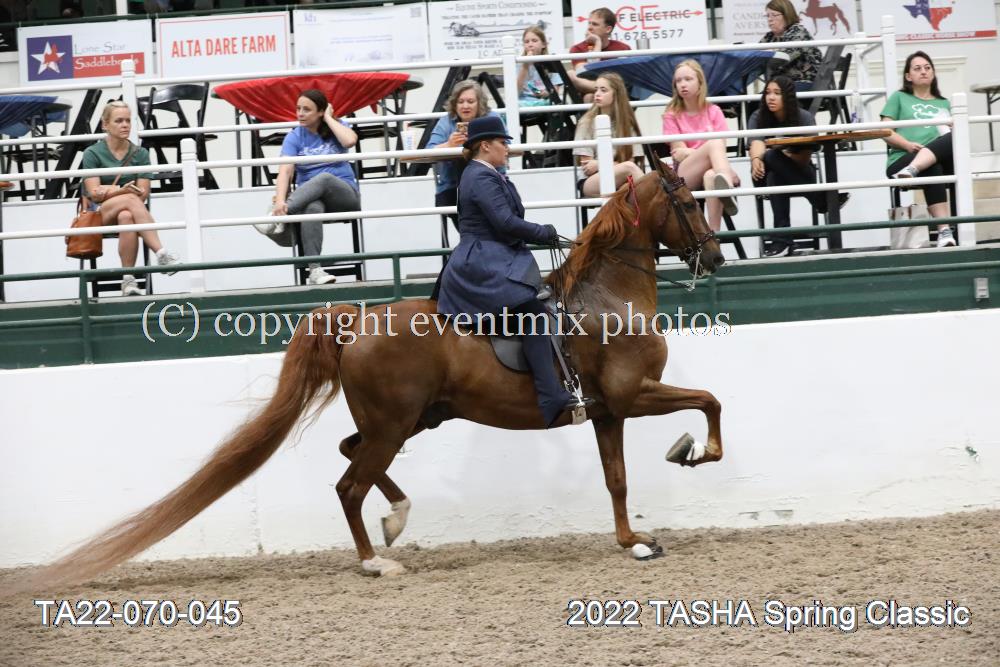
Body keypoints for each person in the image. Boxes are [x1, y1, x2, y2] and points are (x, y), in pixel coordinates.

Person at [436, 116, 594, 427]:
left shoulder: (487, 174)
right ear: (485, 146)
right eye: (502, 143)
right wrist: (543, 232)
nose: (507, 148)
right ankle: (550, 395)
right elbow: (505, 222)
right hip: (484, 261)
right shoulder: (480, 177)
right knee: (534, 315)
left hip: (493, 255)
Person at [81, 100, 180, 297]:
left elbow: (143, 193)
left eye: (127, 120)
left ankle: (128, 280)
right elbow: (94, 193)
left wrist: (109, 190)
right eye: (118, 121)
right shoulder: (92, 153)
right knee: (129, 199)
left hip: (130, 213)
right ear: (105, 124)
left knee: (126, 215)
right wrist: (122, 190)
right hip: (100, 215)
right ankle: (161, 253)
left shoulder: (140, 153)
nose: (125, 125)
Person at [748, 76, 847, 257]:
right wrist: (756, 159)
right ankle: (821, 200)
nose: (770, 97)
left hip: (800, 171)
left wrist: (778, 157)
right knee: (771, 163)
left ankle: (782, 242)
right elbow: (756, 142)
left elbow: (803, 158)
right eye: (767, 93)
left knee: (775, 171)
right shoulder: (758, 116)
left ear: (788, 96)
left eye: (777, 93)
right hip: (763, 175)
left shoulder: (804, 117)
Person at [272, 89, 360, 285]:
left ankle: (280, 216)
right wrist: (279, 200)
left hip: (344, 197)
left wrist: (328, 118)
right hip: (311, 198)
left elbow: (350, 141)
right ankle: (315, 271)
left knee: (325, 178)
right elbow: (285, 171)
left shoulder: (337, 127)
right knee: (312, 208)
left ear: (320, 111)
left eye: (307, 109)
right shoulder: (294, 136)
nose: (300, 114)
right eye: (298, 109)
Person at [881, 51, 956, 247]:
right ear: (908, 76)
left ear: (933, 73)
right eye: (917, 68)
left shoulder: (944, 103)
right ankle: (944, 231)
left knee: (954, 137)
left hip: (931, 161)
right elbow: (884, 131)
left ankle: (914, 168)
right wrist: (907, 145)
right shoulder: (899, 97)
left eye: (927, 67)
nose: (923, 71)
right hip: (903, 158)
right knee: (933, 167)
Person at [662, 59, 740, 231]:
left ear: (700, 83)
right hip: (684, 175)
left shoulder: (714, 111)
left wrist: (694, 152)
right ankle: (727, 185)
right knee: (714, 144)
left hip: (712, 170)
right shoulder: (671, 115)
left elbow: (720, 149)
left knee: (711, 176)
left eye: (688, 79)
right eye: (678, 81)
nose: (683, 84)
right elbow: (679, 153)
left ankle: (714, 234)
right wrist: (706, 153)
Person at [426, 80, 503, 229]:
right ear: (454, 104)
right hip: (453, 187)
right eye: (460, 102)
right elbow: (429, 150)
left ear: (479, 103)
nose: (465, 106)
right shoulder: (446, 122)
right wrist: (448, 145)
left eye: (470, 101)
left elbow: (507, 146)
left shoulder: (492, 118)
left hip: (491, 183)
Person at [573, 73, 644, 197]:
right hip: (590, 180)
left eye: (603, 90)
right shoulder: (586, 122)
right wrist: (616, 164)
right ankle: (654, 198)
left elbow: (631, 160)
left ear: (616, 94)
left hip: (621, 179)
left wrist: (600, 164)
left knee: (629, 175)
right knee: (629, 169)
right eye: (596, 89)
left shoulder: (627, 124)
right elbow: (587, 167)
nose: (597, 94)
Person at [567, 8, 630, 99]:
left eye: (595, 24)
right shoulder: (577, 48)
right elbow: (585, 73)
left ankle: (607, 89)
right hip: (593, 91)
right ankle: (607, 89)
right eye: (589, 23)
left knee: (590, 97)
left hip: (617, 94)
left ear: (608, 29)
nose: (589, 27)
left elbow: (625, 76)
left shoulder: (622, 48)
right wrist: (597, 44)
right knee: (570, 74)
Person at [761, 0, 822, 91]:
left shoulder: (798, 31)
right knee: (755, 99)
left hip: (806, 83)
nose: (770, 19)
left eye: (774, 15)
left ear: (786, 15)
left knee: (762, 98)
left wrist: (767, 52)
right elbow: (756, 54)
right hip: (781, 86)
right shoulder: (770, 36)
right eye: (768, 15)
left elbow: (782, 58)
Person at [518, 26, 562, 107]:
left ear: (543, 44)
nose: (530, 44)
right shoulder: (518, 63)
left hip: (545, 101)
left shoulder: (551, 62)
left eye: (534, 41)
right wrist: (525, 66)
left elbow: (555, 91)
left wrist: (546, 93)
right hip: (524, 102)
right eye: (527, 42)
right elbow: (515, 92)